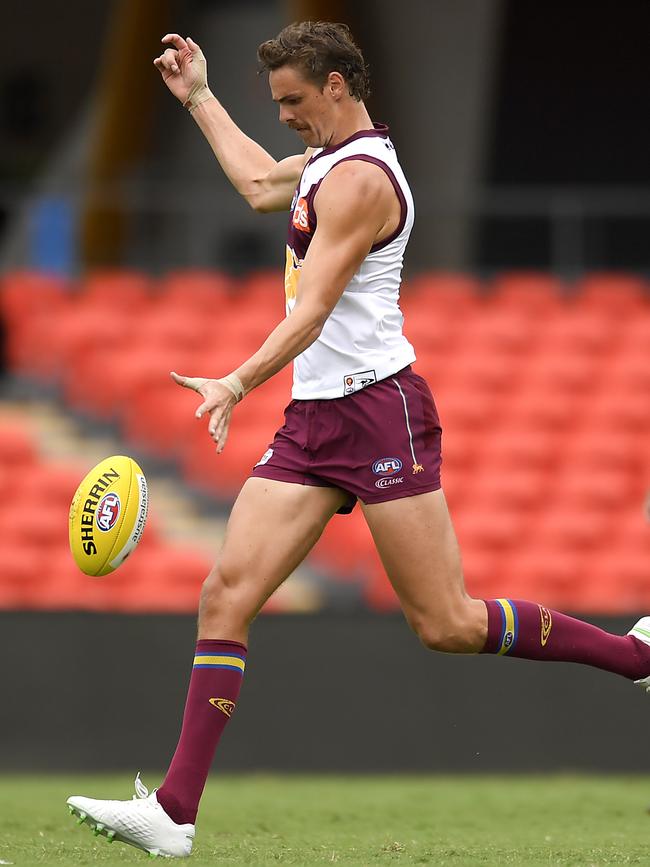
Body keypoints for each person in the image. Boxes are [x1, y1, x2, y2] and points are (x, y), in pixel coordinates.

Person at [67, 22, 650, 859]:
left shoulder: (362, 181)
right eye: (278, 104)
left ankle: (635, 655)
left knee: (446, 622)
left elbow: (310, 312)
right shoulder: (322, 165)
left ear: (338, 85)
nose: (288, 118)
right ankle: (174, 811)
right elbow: (256, 185)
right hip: (314, 423)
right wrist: (198, 97)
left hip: (380, 411)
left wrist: (235, 380)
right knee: (226, 593)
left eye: (295, 102)